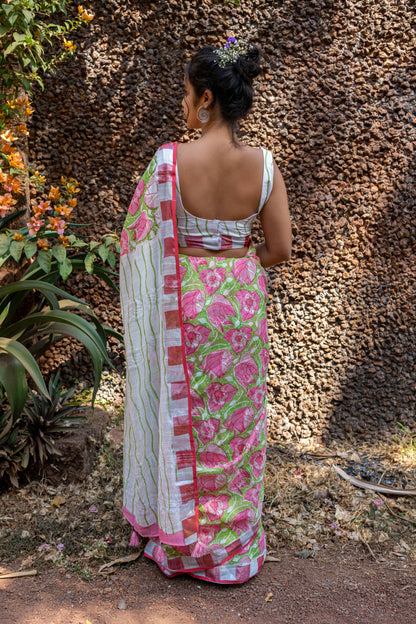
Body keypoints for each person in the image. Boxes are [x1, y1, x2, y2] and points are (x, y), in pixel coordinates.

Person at [119, 38, 291, 584]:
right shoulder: (264, 166)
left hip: (184, 307)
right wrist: (237, 265)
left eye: (187, 94)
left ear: (208, 98)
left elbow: (135, 240)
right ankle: (234, 544)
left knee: (186, 416)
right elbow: (280, 251)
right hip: (239, 306)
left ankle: (183, 540)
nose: (183, 105)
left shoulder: (169, 162)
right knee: (235, 423)